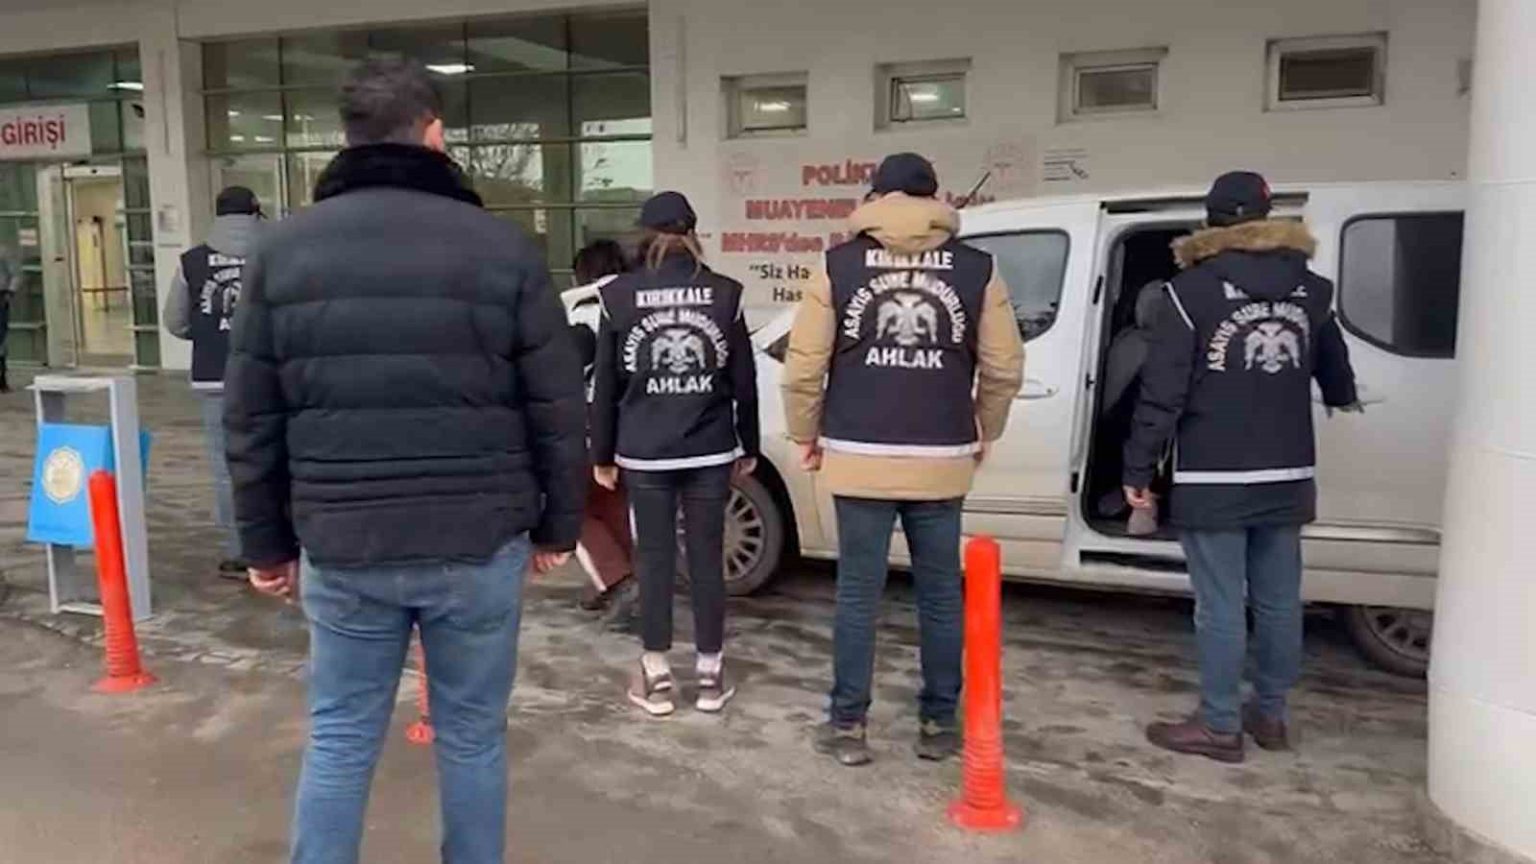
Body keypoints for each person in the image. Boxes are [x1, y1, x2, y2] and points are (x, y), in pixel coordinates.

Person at [223, 60, 586, 864]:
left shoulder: (283, 252)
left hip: (344, 541)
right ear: (435, 134)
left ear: (347, 138)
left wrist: (265, 544)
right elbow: (558, 406)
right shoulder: (503, 248)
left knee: (340, 735)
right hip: (477, 542)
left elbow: (251, 413)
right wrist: (559, 528)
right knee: (472, 736)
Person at [782, 153, 1025, 766]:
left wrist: (804, 433)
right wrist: (986, 428)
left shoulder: (838, 264)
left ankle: (847, 726)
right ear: (935, 198)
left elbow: (804, 366)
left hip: (858, 452)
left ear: (876, 197)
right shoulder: (978, 268)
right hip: (942, 454)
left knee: (858, 594)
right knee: (940, 594)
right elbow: (1003, 367)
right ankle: (939, 724)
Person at [1122, 170, 1360, 764]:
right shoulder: (1311, 289)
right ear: (1266, 217)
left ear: (1211, 222)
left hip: (1213, 474)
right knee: (1280, 601)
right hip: (1288, 470)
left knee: (1221, 604)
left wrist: (1138, 469)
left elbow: (1164, 391)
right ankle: (1270, 715)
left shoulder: (1189, 292)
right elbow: (1335, 370)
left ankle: (1220, 724)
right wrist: (1341, 397)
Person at [589, 191, 759, 717]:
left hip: (645, 451)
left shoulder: (616, 296)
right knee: (707, 557)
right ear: (693, 234)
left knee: (655, 559)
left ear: (643, 236)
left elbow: (606, 384)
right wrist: (748, 443)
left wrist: (602, 454)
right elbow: (744, 380)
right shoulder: (725, 293)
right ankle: (710, 674)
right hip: (710, 448)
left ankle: (657, 674)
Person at [163, 186, 263, 577]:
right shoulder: (275, 253)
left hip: (214, 374)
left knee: (226, 467)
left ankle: (240, 553)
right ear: (254, 213)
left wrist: (207, 334)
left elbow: (175, 320)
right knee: (277, 459)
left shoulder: (192, 261)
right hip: (268, 376)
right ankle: (280, 548)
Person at [566, 240, 637, 621]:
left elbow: (571, 366)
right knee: (612, 506)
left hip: (591, 421)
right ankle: (615, 584)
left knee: (569, 506)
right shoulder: (635, 303)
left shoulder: (587, 311)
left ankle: (615, 579)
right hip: (635, 419)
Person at [0, 237, 19, 394]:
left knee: (0, 337)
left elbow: (15, 274)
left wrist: (9, 292)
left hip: (1, 296)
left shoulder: (3, 252)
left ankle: (2, 379)